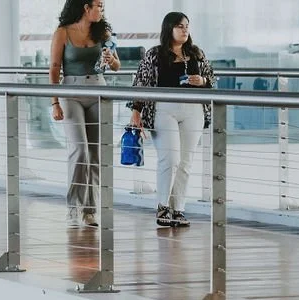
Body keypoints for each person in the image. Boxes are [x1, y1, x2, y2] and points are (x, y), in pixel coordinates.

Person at [129, 11, 215, 230]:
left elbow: (212, 79)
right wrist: (136, 111)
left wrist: (201, 80)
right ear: (169, 28)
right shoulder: (155, 54)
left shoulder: (196, 53)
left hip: (193, 110)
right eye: (179, 26)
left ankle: (178, 208)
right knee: (170, 159)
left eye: (187, 25)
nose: (185, 29)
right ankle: (162, 206)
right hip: (163, 109)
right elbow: (141, 82)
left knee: (185, 163)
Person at [50, 0, 120, 228]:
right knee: (80, 151)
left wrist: (112, 60)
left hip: (98, 89)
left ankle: (90, 211)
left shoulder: (103, 32)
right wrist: (55, 102)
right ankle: (73, 207)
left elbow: (116, 66)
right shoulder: (63, 32)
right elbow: (54, 67)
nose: (102, 9)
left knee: (95, 153)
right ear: (85, 7)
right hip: (71, 91)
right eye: (98, 5)